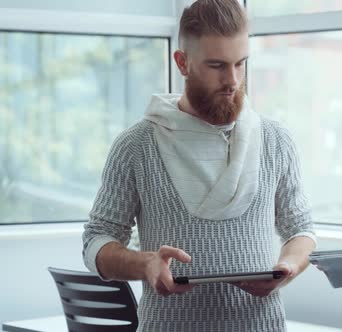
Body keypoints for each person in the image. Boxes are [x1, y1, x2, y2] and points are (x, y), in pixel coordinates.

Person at [81, 1, 316, 331]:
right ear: (182, 62)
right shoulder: (136, 146)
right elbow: (96, 241)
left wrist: (288, 267)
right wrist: (145, 263)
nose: (232, 80)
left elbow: (302, 229)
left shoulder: (276, 140)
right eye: (217, 65)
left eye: (240, 63)